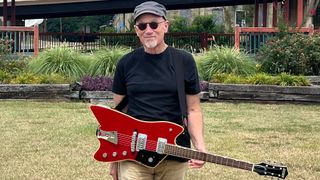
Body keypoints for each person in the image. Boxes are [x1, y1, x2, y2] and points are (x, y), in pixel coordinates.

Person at [110, 1, 206, 179]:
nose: (148, 30)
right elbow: (118, 117)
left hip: (174, 154)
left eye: (154, 24)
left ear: (166, 26)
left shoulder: (183, 61)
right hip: (134, 155)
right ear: (136, 30)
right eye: (142, 25)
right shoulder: (126, 63)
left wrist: (200, 145)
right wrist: (115, 161)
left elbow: (193, 109)